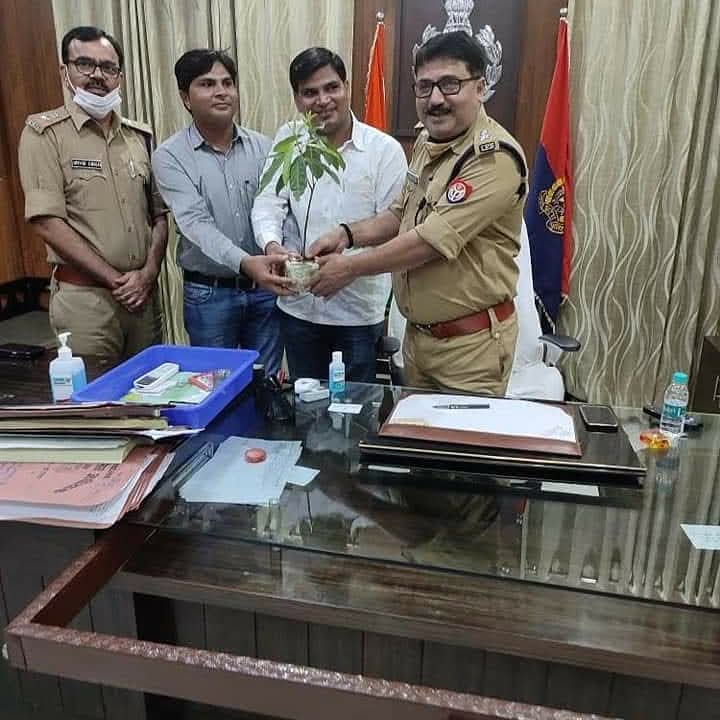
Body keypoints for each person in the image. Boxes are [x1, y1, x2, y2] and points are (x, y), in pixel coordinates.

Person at [308, 32, 528, 395]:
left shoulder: (493, 158)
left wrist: (349, 268)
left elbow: (428, 242)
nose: (436, 99)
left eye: (450, 84)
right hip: (419, 341)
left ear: (480, 87)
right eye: (425, 87)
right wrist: (345, 234)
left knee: (460, 434)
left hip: (470, 350)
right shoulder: (429, 141)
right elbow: (400, 214)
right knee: (416, 432)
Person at [252, 47, 407, 383]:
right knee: (306, 402)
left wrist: (348, 256)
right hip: (297, 308)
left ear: (347, 87)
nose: (322, 100)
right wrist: (272, 245)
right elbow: (267, 201)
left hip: (357, 314)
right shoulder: (290, 140)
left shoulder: (384, 151)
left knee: (355, 405)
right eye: (310, 92)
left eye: (331, 87)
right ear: (297, 99)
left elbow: (395, 224)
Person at [18, 25, 168, 367]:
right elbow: (46, 222)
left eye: (108, 67)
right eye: (85, 64)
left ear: (120, 77)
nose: (98, 75)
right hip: (86, 302)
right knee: (96, 395)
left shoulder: (139, 137)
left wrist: (147, 275)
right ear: (65, 71)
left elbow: (158, 216)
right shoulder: (44, 134)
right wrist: (118, 282)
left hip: (143, 299)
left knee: (152, 389)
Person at [152, 49, 292, 374]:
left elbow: (278, 209)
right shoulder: (169, 156)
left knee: (266, 382)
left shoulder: (265, 147)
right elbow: (195, 224)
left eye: (227, 83)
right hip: (209, 295)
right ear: (185, 97)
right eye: (207, 84)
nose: (221, 91)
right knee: (215, 384)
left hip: (264, 292)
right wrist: (246, 263)